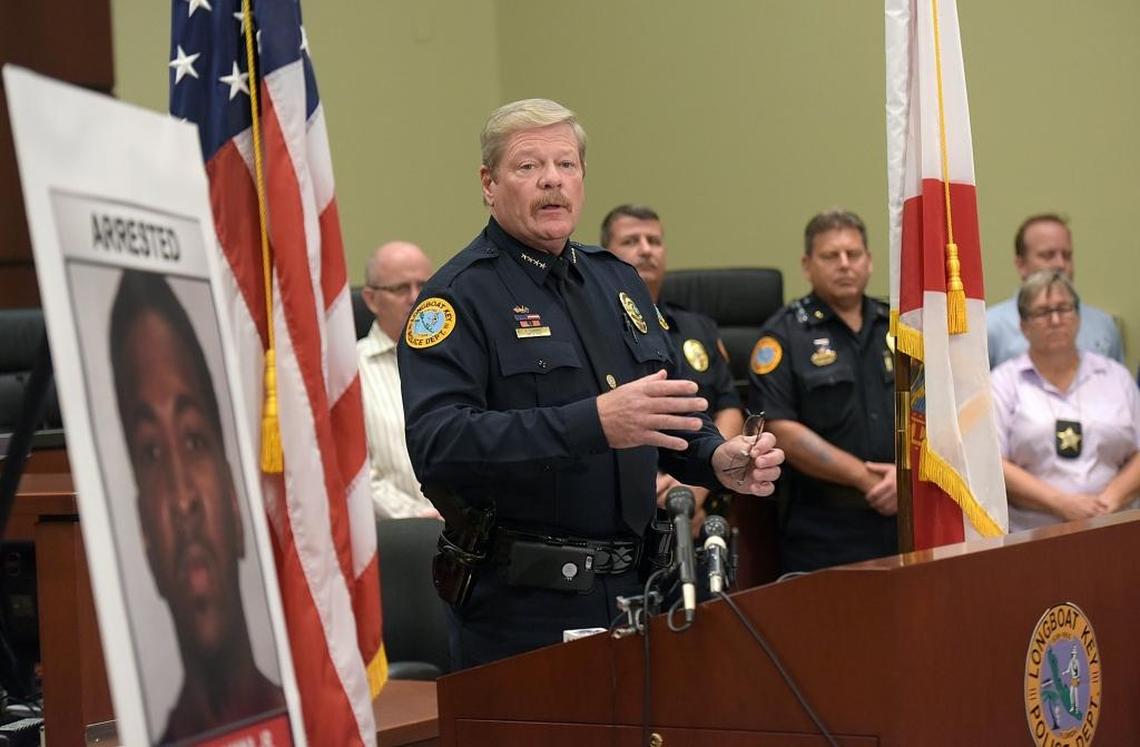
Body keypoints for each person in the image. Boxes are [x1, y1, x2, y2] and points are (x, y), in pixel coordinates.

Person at [398, 98, 784, 669]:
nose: (552, 180)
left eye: (567, 165)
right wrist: (593, 422)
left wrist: (717, 457)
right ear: (489, 182)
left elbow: (671, 411)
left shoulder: (617, 281)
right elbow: (439, 443)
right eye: (529, 167)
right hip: (524, 605)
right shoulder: (456, 298)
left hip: (639, 587)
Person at [109, 270, 285, 743]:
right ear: (142, 531)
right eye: (149, 452)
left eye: (193, 439)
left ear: (234, 497)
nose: (183, 495)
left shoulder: (307, 722)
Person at [747, 209, 896, 573]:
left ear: (870, 261)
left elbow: (932, 409)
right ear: (807, 264)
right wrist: (866, 478)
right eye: (831, 256)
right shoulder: (783, 335)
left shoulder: (898, 326)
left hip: (903, 518)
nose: (845, 265)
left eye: (854, 254)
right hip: (824, 529)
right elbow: (781, 430)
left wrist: (906, 475)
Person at [601, 203, 744, 532]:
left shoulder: (698, 328)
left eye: (654, 240)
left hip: (697, 505)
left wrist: (697, 485)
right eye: (631, 241)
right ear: (606, 253)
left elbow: (729, 406)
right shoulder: (593, 329)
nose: (646, 250)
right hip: (619, 509)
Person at [991, 270, 1140, 533]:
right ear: (1024, 325)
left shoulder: (1116, 377)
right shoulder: (1002, 383)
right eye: (1043, 312)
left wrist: (1108, 502)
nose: (1056, 319)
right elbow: (994, 462)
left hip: (1115, 527)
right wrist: (1061, 504)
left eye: (1064, 308)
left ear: (1079, 317)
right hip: (1032, 536)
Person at [358, 240, 440, 519]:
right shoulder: (351, 373)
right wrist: (419, 517)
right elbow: (356, 474)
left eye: (424, 286)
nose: (415, 298)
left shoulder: (459, 362)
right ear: (370, 299)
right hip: (399, 537)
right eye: (400, 289)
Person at [986, 214, 1122, 369]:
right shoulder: (991, 328)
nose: (1060, 264)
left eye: (1067, 255)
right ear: (1021, 265)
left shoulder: (1103, 325)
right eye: (1048, 255)